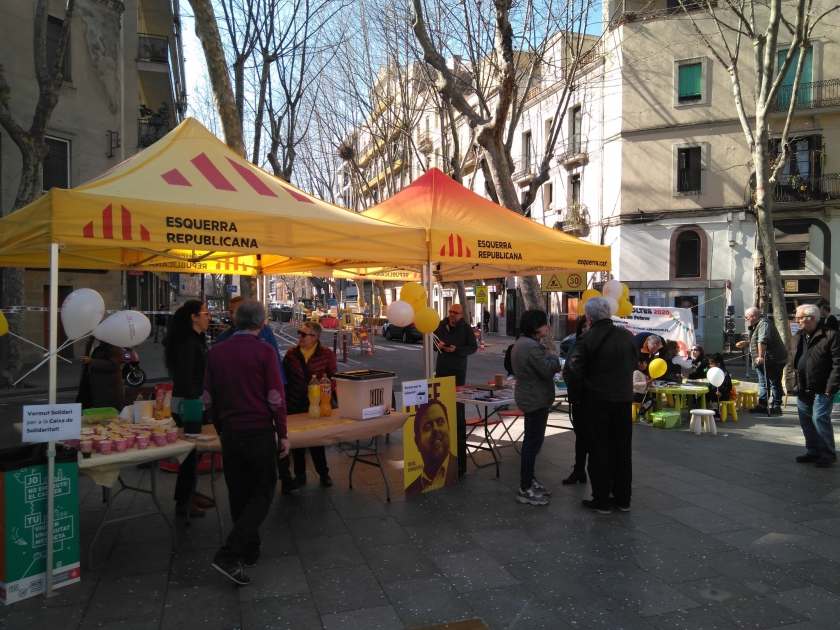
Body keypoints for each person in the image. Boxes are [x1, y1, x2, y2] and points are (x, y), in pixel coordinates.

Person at [202, 300, 289, 585]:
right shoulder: (264, 351)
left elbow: (208, 398)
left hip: (230, 433)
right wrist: (283, 433)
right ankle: (230, 552)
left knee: (239, 494)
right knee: (263, 492)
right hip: (258, 431)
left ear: (236, 320)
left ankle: (248, 551)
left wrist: (219, 426)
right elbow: (276, 398)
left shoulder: (217, 351)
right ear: (261, 323)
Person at [565, 297, 638, 514]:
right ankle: (623, 498)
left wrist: (577, 397)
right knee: (622, 450)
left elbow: (573, 371)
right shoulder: (627, 336)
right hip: (623, 400)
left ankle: (602, 499)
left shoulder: (586, 338)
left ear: (588, 317)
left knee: (599, 449)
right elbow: (634, 364)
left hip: (597, 401)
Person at [163, 300, 214, 518]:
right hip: (189, 404)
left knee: (194, 452)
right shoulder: (186, 341)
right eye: (205, 313)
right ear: (194, 317)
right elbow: (184, 376)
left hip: (193, 401)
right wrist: (197, 403)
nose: (208, 318)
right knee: (191, 452)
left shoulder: (196, 339)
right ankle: (183, 502)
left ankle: (190, 493)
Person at [279, 321, 336, 492]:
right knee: (297, 443)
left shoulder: (326, 353)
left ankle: (323, 473)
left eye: (304, 334)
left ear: (315, 337)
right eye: (299, 333)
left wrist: (325, 395)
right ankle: (300, 475)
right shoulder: (291, 353)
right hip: (294, 404)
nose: (300, 337)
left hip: (316, 404)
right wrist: (286, 396)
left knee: (317, 441)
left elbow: (333, 377)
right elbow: (283, 377)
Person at [511, 310, 561, 506]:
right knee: (532, 444)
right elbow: (548, 371)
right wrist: (553, 356)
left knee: (532, 442)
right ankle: (525, 488)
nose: (548, 327)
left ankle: (529, 481)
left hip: (531, 397)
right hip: (535, 399)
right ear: (535, 326)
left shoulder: (523, 343)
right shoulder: (531, 347)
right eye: (545, 324)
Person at [786, 304, 840, 468]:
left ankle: (828, 453)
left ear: (812, 318)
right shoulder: (797, 337)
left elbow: (838, 364)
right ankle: (813, 451)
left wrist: (831, 387)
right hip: (801, 386)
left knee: (819, 418)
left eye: (800, 318)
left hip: (822, 387)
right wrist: (789, 382)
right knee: (806, 420)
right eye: (797, 317)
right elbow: (791, 361)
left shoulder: (830, 336)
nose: (797, 320)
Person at [433, 303, 478, 476]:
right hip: (442, 370)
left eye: (455, 313)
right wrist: (438, 347)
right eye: (450, 312)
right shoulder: (441, 324)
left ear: (462, 315)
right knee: (440, 408)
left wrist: (456, 350)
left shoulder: (466, 328)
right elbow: (431, 344)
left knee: (458, 410)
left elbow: (473, 347)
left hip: (458, 372)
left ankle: (459, 459)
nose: (451, 315)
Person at [216, 296, 287, 385]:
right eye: (231, 312)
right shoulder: (223, 338)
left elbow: (275, 361)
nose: (233, 316)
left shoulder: (265, 331)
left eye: (237, 311)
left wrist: (281, 384)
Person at [735, 307, 786, 415]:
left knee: (774, 383)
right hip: (766, 359)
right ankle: (763, 404)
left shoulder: (764, 324)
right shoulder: (758, 324)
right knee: (763, 383)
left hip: (773, 359)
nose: (746, 319)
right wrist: (747, 343)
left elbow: (762, 341)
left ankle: (776, 406)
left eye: (747, 317)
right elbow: (757, 340)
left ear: (754, 316)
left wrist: (760, 356)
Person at [405, 400, 459, 496]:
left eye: (440, 422)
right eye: (428, 426)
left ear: (449, 429)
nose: (435, 429)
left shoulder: (458, 470)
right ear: (418, 442)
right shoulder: (410, 491)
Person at [561, 316, 590, 485]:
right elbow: (567, 370)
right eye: (583, 326)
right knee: (581, 435)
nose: (586, 329)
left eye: (588, 325)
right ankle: (579, 470)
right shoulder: (576, 343)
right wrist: (573, 392)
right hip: (580, 398)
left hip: (597, 398)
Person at [76, 337, 125, 411]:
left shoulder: (112, 344)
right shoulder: (90, 341)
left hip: (107, 387)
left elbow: (113, 364)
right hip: (89, 384)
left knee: (105, 413)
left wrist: (91, 361)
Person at [705, 353, 732, 421]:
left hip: (724, 394)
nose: (709, 365)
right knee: (706, 395)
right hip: (714, 392)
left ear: (717, 364)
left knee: (713, 397)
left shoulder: (724, 373)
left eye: (711, 364)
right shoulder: (711, 371)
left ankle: (716, 414)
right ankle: (707, 411)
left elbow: (728, 386)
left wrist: (721, 392)